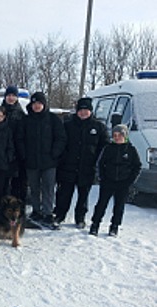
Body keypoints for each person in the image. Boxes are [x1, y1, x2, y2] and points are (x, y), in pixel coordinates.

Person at [54, 97, 109, 229]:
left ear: (90, 111)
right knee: (64, 194)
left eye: (86, 110)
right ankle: (59, 215)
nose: (83, 112)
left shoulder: (99, 127)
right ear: (77, 111)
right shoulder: (68, 124)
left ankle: (80, 218)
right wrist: (61, 159)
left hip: (87, 167)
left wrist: (97, 162)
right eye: (81, 110)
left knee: (83, 195)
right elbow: (60, 143)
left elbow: (104, 147)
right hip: (68, 167)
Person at [23, 92, 66, 229]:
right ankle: (36, 211)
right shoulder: (26, 120)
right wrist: (24, 155)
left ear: (44, 104)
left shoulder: (53, 119)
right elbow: (20, 139)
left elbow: (61, 138)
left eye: (39, 103)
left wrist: (55, 153)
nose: (37, 106)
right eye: (35, 103)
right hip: (31, 161)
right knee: (34, 188)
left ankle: (47, 213)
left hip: (49, 161)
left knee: (48, 188)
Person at [89, 124, 141, 237]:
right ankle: (95, 224)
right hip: (108, 181)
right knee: (101, 204)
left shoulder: (131, 150)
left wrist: (130, 181)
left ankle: (114, 226)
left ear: (125, 136)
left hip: (123, 183)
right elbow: (100, 164)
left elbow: (137, 166)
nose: (117, 138)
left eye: (120, 135)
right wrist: (102, 177)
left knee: (119, 206)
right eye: (115, 135)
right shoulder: (108, 148)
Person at [2, 86, 27, 204]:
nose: (11, 98)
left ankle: (19, 209)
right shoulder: (0, 112)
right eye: (9, 95)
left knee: (19, 185)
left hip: (18, 155)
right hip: (2, 154)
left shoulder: (21, 114)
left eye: (13, 95)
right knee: (3, 185)